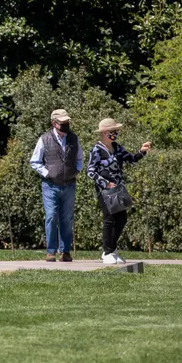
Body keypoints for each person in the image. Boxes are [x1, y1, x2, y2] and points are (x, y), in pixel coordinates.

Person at [86, 118, 151, 264]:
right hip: (105, 191)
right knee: (109, 219)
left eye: (116, 131)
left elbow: (132, 159)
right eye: (112, 131)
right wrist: (105, 183)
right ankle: (107, 251)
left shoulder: (117, 147)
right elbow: (90, 171)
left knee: (122, 219)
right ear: (103, 132)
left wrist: (142, 151)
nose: (115, 133)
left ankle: (111, 248)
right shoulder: (97, 150)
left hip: (119, 190)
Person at [29, 109, 84, 262]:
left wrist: (76, 171)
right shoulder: (44, 139)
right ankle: (51, 251)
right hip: (50, 185)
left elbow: (80, 158)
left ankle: (65, 251)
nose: (66, 125)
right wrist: (47, 174)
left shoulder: (74, 138)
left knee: (67, 218)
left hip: (69, 185)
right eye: (62, 123)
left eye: (67, 122)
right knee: (51, 216)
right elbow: (35, 161)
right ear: (54, 123)